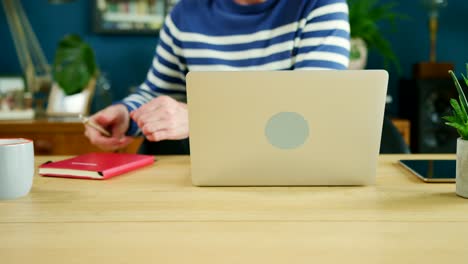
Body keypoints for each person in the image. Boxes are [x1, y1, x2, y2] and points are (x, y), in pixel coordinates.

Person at [85, 0, 350, 154]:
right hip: (208, 172)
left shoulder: (320, 5)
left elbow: (311, 112)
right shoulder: (184, 14)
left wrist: (200, 116)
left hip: (291, 170)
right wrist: (126, 114)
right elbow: (158, 94)